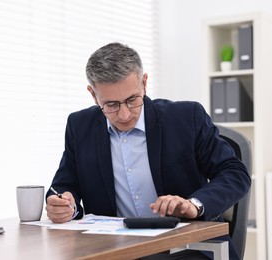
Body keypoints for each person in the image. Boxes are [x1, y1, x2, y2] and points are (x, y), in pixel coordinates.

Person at [45, 42, 251, 260]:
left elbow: (235, 173)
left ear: (144, 83)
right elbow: (64, 186)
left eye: (132, 100)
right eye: (111, 105)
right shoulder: (80, 126)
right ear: (93, 95)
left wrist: (193, 205)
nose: (124, 115)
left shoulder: (186, 117)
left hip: (188, 248)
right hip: (116, 250)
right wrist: (65, 205)